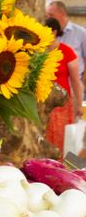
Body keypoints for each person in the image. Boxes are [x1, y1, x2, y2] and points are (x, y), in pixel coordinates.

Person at [45, 17, 83, 154]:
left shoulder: (67, 51)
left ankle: (67, 170)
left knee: (64, 140)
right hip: (42, 103)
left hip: (62, 105)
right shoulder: (39, 52)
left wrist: (79, 104)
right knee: (44, 140)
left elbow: (76, 81)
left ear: (54, 32)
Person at [47, 0, 86, 99]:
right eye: (47, 15)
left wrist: (83, 84)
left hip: (75, 87)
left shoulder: (81, 33)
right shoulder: (47, 33)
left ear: (62, 14)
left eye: (51, 14)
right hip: (51, 89)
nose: (48, 18)